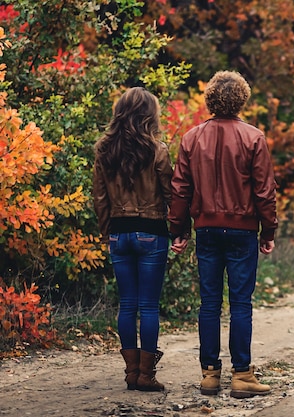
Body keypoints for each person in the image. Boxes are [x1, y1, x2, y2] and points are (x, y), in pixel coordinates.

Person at [168, 70, 278, 399]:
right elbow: (264, 191)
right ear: (242, 98)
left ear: (210, 98)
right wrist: (268, 230)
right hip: (243, 230)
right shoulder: (254, 137)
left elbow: (180, 190)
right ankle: (242, 376)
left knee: (209, 303)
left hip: (206, 231)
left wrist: (179, 230)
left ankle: (209, 376)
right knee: (241, 303)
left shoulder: (191, 138)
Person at [93, 87, 173, 392]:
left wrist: (107, 233)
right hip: (151, 232)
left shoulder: (104, 150)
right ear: (148, 115)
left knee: (127, 305)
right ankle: (146, 375)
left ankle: (130, 373)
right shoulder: (158, 150)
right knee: (149, 306)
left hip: (119, 232)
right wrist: (179, 229)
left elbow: (99, 197)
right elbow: (171, 194)